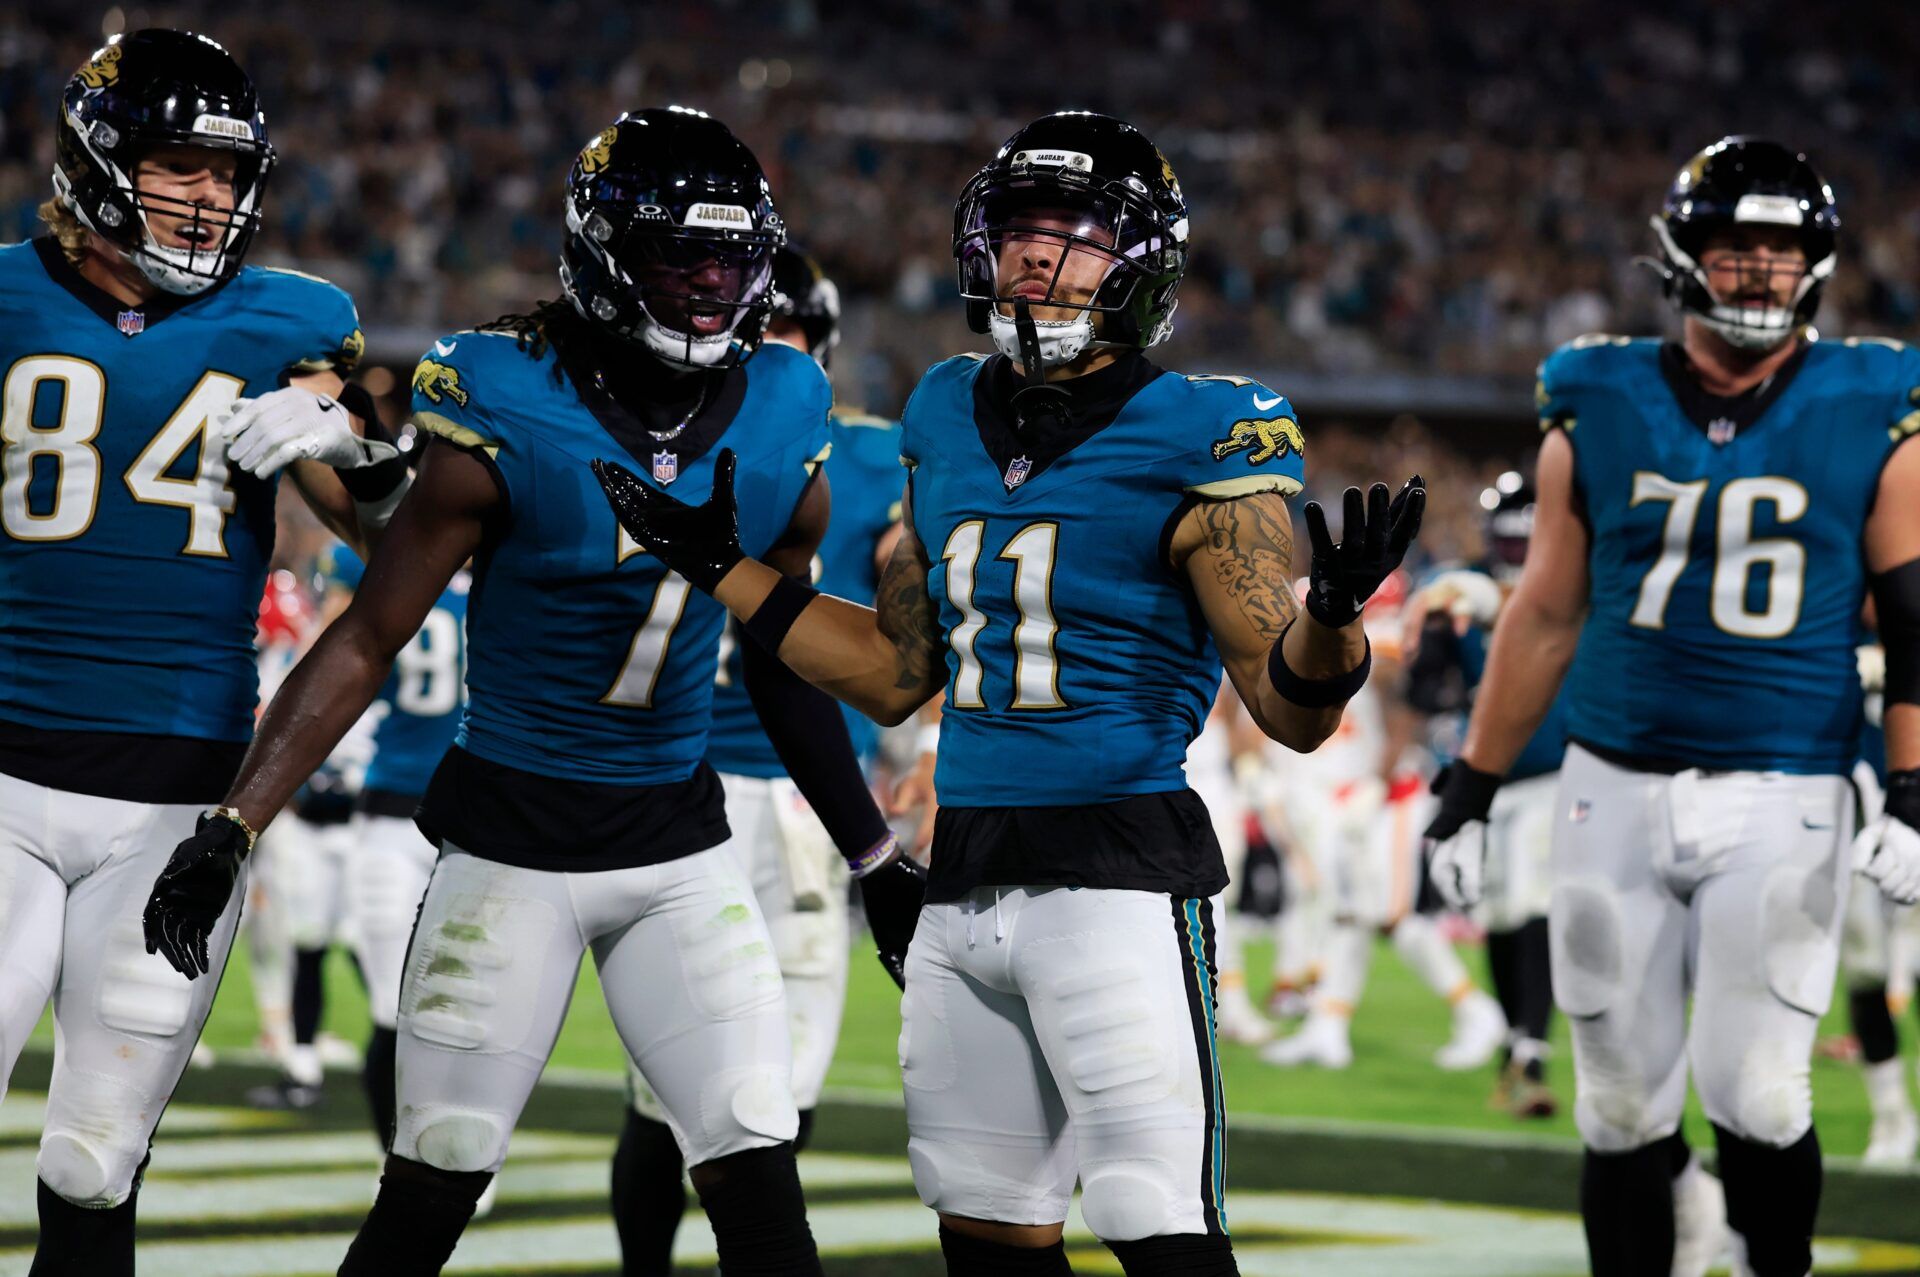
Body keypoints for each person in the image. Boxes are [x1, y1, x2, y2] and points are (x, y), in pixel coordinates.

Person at [595, 109, 1423, 1277]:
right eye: (1023, 232)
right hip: (966, 873)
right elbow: (893, 669)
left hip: (1119, 876)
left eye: (1077, 238)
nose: (1040, 258)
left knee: (1157, 1219)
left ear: (1141, 265)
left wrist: (1332, 619)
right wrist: (722, 567)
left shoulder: (1210, 426)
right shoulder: (943, 408)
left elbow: (1291, 711)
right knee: (984, 1230)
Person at [141, 106, 922, 1276]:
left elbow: (778, 647)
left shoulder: (785, 405)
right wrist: (234, 819)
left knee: (759, 1167)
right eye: (678, 257)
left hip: (677, 845)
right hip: (510, 843)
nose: (711, 289)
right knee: (434, 1183)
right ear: (606, 261)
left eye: (729, 259)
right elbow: (369, 632)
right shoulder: (504, 392)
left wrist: (870, 852)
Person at [1424, 136, 1920, 1277]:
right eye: (1733, 246)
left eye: (1780, 248)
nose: (1755, 270)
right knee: (1618, 1106)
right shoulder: (1595, 391)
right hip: (1612, 778)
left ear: (1817, 263)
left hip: (1786, 778)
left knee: (1755, 1086)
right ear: (1682, 253)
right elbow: (1544, 611)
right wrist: (1471, 790)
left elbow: (1912, 614)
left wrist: (1912, 784)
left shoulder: (1874, 397)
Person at [0, 29, 400, 1274]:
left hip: (179, 794)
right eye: (183, 165)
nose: (211, 198)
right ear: (99, 161)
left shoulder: (297, 318)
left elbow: (390, 529)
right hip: (1, 767)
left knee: (94, 1156)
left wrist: (353, 443)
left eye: (229, 175)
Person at [609, 244, 906, 1273]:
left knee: (790, 1083)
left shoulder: (880, 458)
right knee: (663, 1089)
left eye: (787, 334)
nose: (766, 352)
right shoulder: (650, 433)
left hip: (808, 792)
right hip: (683, 778)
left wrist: (924, 750)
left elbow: (918, 625)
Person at [1402, 471, 1565, 1116]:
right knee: (1498, 913)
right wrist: (1435, 651)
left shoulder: (1570, 584)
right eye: (1509, 538)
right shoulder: (1459, 588)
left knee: (1533, 899)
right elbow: (1423, 693)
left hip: (1556, 770)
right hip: (1486, 779)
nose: (1518, 551)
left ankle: (1530, 1050)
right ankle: (1514, 1045)